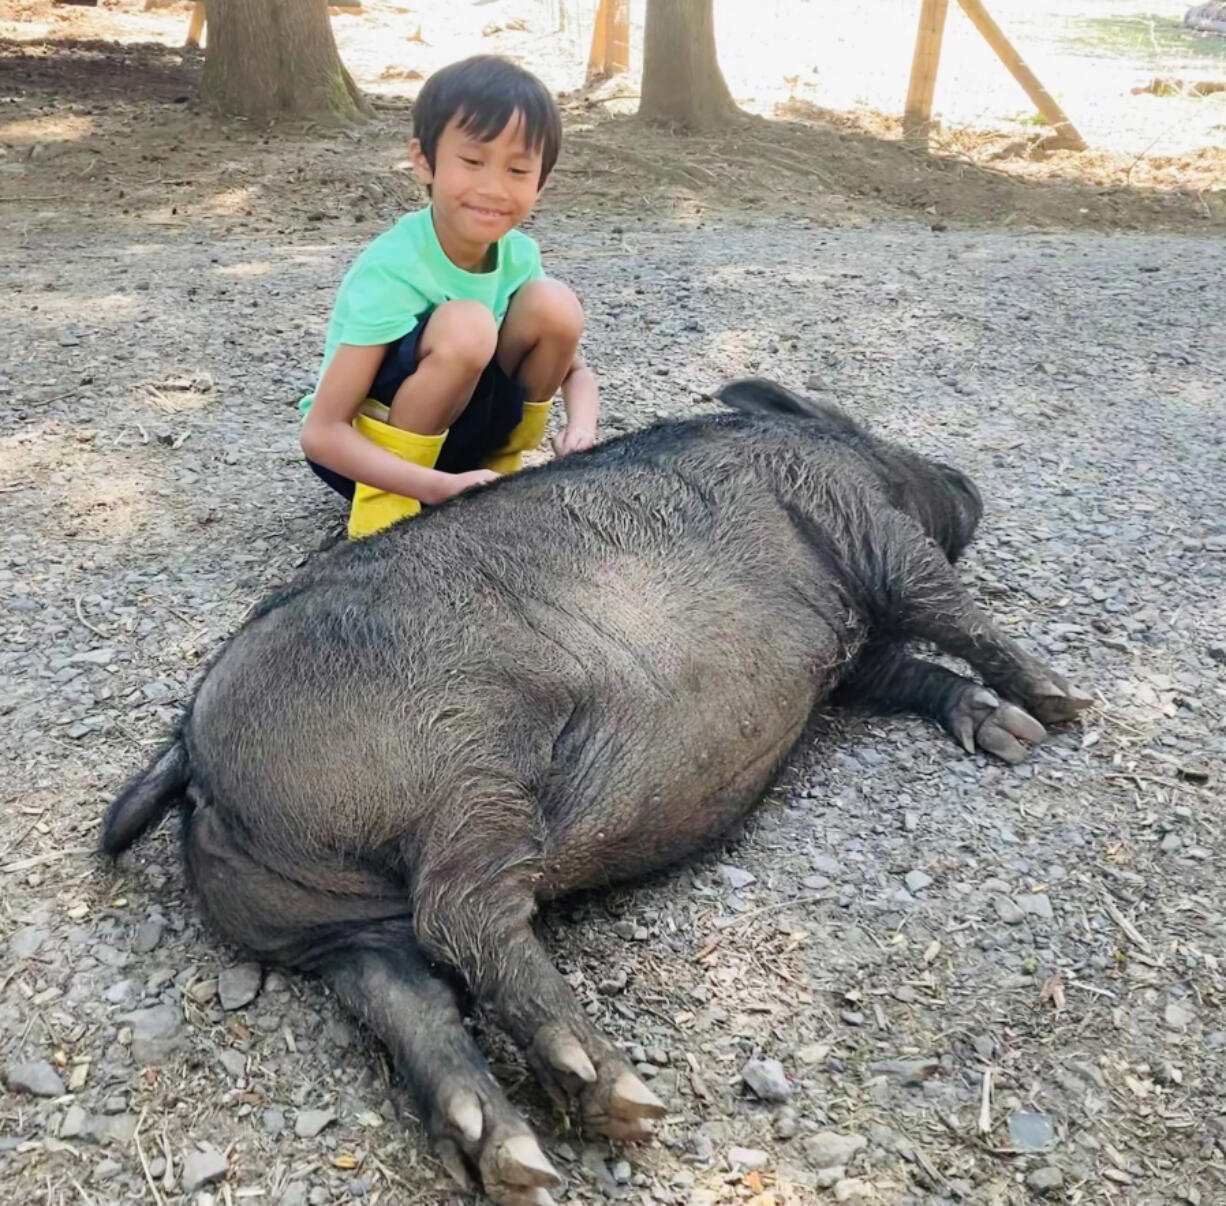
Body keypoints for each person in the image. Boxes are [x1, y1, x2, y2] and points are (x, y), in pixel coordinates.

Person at [298, 55, 599, 539]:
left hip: (461, 449)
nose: (493, 188)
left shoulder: (518, 256)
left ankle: (502, 471)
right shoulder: (393, 268)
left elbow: (577, 372)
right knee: (468, 325)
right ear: (424, 161)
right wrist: (436, 487)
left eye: (518, 170)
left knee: (555, 304)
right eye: (473, 161)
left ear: (540, 183)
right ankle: (390, 513)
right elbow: (321, 434)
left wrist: (581, 431)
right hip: (370, 461)